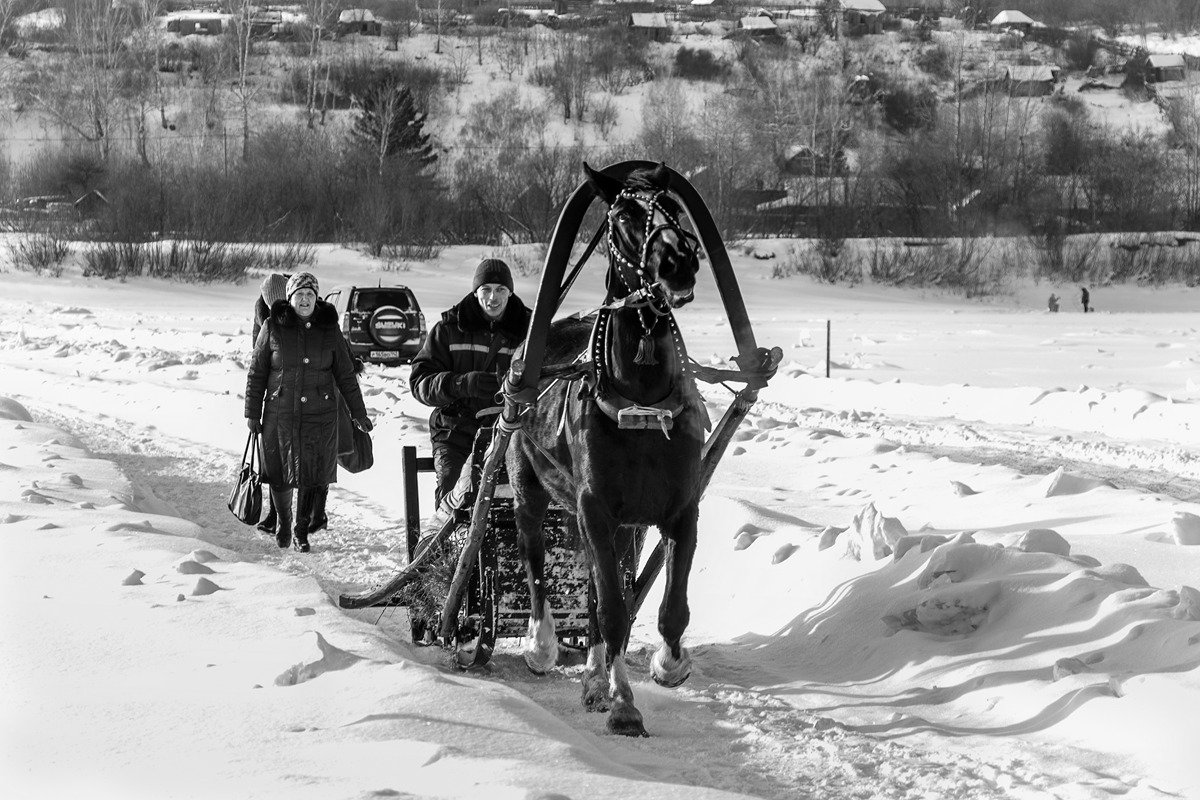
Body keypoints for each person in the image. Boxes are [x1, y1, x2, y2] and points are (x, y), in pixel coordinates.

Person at [245, 272, 372, 552]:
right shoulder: (271, 327)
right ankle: (284, 520)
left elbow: (346, 375)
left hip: (320, 414)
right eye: (299, 295)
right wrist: (252, 413)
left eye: (310, 295)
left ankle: (301, 530)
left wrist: (358, 413)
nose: (305, 300)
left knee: (311, 474)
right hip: (280, 413)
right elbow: (257, 372)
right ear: (289, 299)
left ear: (317, 298)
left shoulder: (329, 330)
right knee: (278, 473)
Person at [409, 258, 531, 505]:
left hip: (513, 431)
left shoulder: (531, 329)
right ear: (475, 293)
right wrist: (461, 384)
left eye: (500, 290)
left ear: (510, 293)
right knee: (453, 496)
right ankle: (446, 542)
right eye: (486, 290)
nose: (492, 298)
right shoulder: (449, 328)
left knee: (523, 500)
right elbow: (420, 382)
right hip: (455, 430)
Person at [251, 273, 288, 535]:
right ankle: (277, 514)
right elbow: (257, 360)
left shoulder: (304, 304)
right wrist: (253, 412)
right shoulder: (262, 316)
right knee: (272, 460)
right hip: (274, 398)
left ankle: (305, 517)